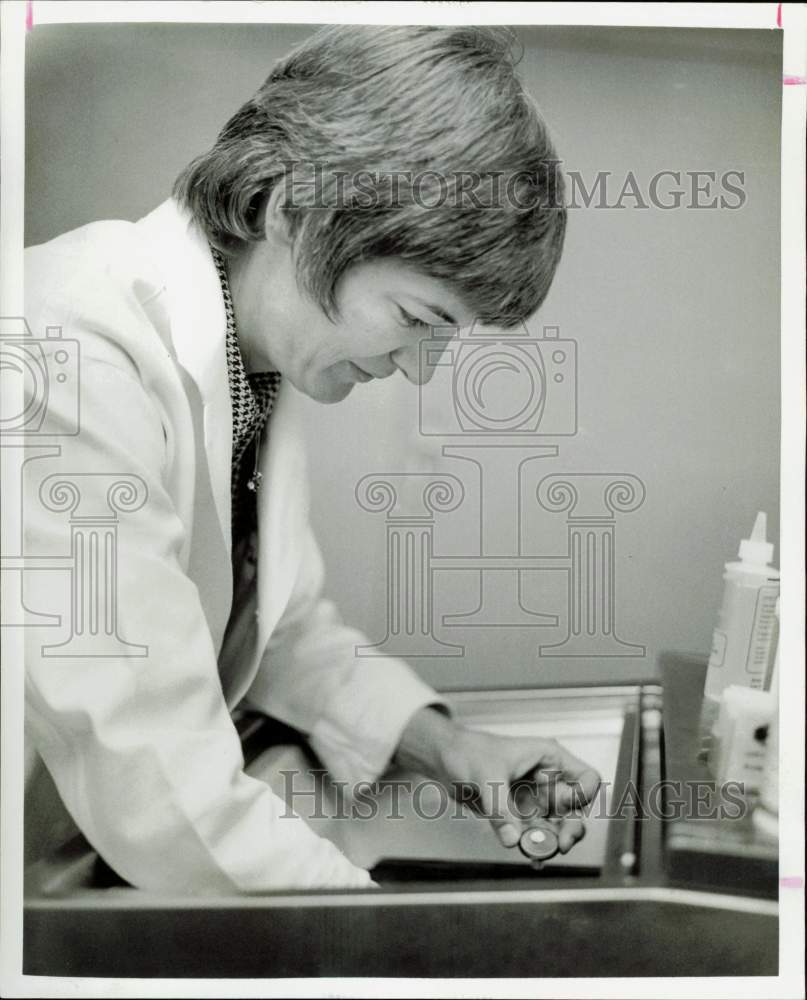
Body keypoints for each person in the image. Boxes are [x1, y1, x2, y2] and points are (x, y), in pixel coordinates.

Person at [23, 24, 600, 892]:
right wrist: (391, 939)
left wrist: (448, 746)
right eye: (415, 320)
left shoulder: (259, 367)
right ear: (290, 211)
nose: (417, 369)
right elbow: (147, 759)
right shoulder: (63, 351)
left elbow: (280, 630)